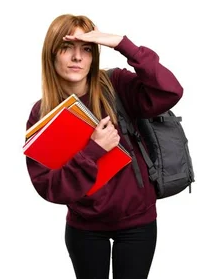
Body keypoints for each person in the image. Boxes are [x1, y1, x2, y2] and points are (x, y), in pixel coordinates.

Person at [25, 14, 184, 279]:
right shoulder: (43, 114)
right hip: (85, 227)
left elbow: (170, 92)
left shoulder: (116, 85)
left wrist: (122, 44)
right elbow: (48, 187)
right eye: (67, 48)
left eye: (86, 49)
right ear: (51, 54)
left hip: (137, 221)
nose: (77, 57)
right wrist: (94, 149)